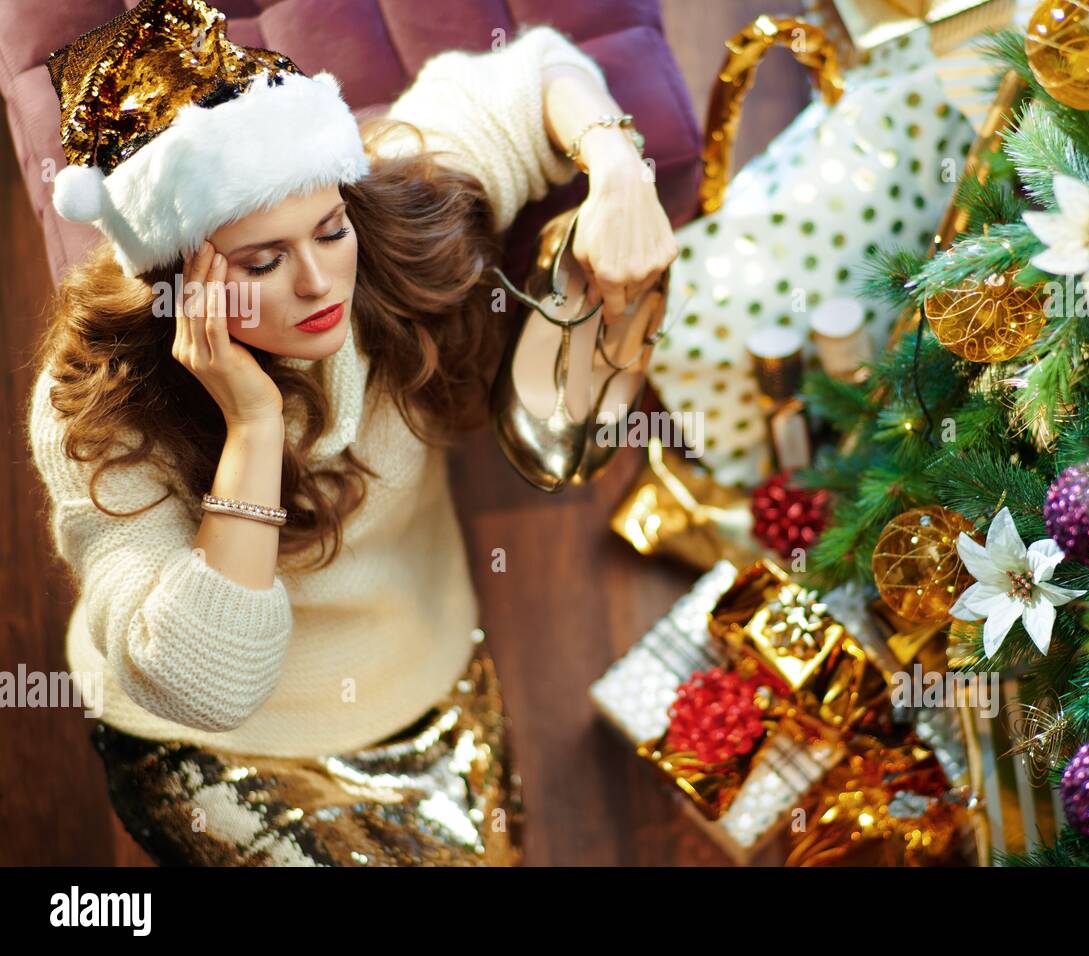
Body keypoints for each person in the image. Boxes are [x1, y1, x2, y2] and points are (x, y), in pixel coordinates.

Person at [25, 0, 676, 866]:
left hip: (411, 651)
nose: (319, 281)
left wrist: (619, 170)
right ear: (176, 281)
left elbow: (540, 71)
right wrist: (252, 427)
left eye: (329, 230)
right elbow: (201, 683)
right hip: (217, 744)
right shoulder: (95, 407)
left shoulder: (383, 208)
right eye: (262, 262)